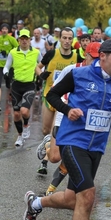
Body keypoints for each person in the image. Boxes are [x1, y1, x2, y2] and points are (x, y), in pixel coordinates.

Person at [24, 39, 111, 220]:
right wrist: (67, 110)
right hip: (72, 141)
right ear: (102, 56)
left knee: (73, 198)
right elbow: (51, 94)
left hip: (96, 147)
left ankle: (36, 203)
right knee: (88, 195)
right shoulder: (79, 75)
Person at [38, 42, 102, 196]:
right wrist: (65, 109)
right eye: (93, 58)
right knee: (54, 157)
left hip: (83, 122)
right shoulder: (71, 69)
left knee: (71, 155)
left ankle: (51, 189)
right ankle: (47, 143)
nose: (95, 62)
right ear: (86, 55)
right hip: (63, 115)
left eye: (99, 58)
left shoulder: (101, 75)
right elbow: (54, 93)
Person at [36, 27, 77, 174]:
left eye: (69, 38)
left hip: (64, 101)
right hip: (49, 95)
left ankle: (44, 163)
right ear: (60, 39)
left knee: (55, 131)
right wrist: (41, 74)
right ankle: (46, 145)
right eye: (64, 38)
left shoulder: (77, 57)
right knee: (46, 130)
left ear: (72, 40)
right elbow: (38, 66)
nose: (66, 41)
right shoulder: (52, 53)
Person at [3, 29, 42, 146]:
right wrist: (5, 74)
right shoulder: (13, 52)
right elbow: (6, 66)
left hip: (30, 84)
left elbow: (42, 65)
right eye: (22, 39)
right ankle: (20, 136)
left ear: (30, 40)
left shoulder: (36, 52)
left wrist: (41, 75)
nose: (24, 41)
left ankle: (26, 125)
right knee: (16, 114)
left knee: (24, 111)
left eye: (26, 39)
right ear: (18, 40)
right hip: (16, 85)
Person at [0, 23, 19, 111]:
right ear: (1, 30)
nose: (4, 30)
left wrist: (8, 52)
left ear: (8, 31)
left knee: (9, 84)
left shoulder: (12, 39)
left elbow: (17, 49)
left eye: (6, 29)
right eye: (3, 29)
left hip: (9, 66)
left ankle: (12, 96)